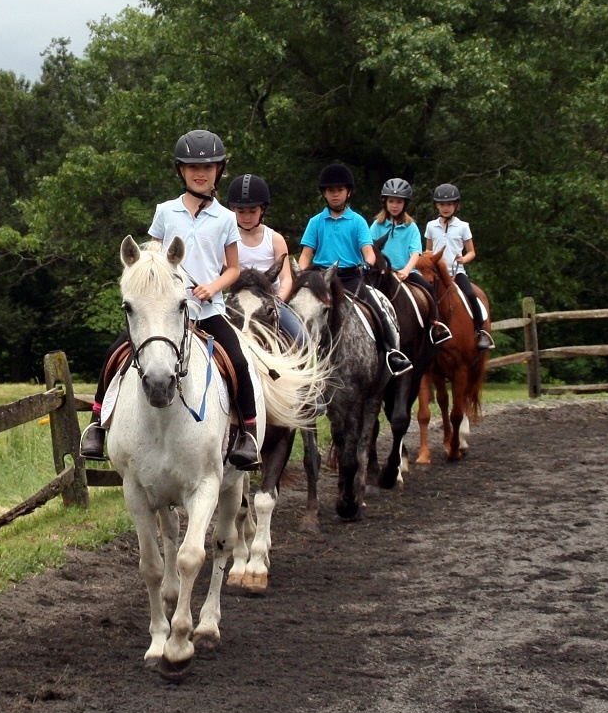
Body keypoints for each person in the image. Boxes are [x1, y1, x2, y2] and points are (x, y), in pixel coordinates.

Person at [81, 129, 261, 470]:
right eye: (193, 166)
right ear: (181, 170)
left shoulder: (225, 218)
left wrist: (212, 286)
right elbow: (151, 256)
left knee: (238, 362)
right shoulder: (165, 211)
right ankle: (96, 426)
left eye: (209, 166)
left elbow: (234, 269)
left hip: (207, 311)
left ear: (219, 170)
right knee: (113, 354)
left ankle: (247, 435)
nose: (201, 172)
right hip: (164, 313)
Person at [295, 161, 412, 375]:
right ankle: (295, 356)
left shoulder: (357, 221)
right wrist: (300, 274)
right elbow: (305, 255)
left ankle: (390, 352)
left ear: (348, 192)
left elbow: (368, 251)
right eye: (331, 191)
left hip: (351, 277)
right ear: (324, 193)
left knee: (378, 306)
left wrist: (367, 264)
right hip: (322, 279)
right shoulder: (316, 222)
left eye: (339, 190)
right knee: (297, 307)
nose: (335, 195)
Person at [224, 173, 306, 345]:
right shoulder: (227, 240)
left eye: (252, 211)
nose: (246, 217)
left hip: (269, 300)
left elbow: (285, 279)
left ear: (263, 209)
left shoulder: (275, 239)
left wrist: (277, 302)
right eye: (241, 211)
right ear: (232, 210)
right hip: (239, 301)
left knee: (302, 338)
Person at [370, 178, 451, 344]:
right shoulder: (377, 225)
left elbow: (416, 252)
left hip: (406, 272)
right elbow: (370, 249)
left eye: (399, 202)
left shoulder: (411, 227)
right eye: (391, 201)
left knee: (428, 290)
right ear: (385, 202)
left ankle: (435, 328)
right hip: (384, 273)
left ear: (405, 204)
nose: (394, 205)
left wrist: (406, 270)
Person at [425, 183, 494, 350]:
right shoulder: (431, 226)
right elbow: (428, 250)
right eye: (442, 204)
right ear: (437, 205)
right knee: (424, 298)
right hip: (437, 274)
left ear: (456, 205)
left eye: (449, 204)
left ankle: (481, 331)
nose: (445, 208)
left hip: (457, 272)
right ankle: (424, 333)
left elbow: (472, 252)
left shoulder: (463, 226)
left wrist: (464, 258)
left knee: (470, 294)